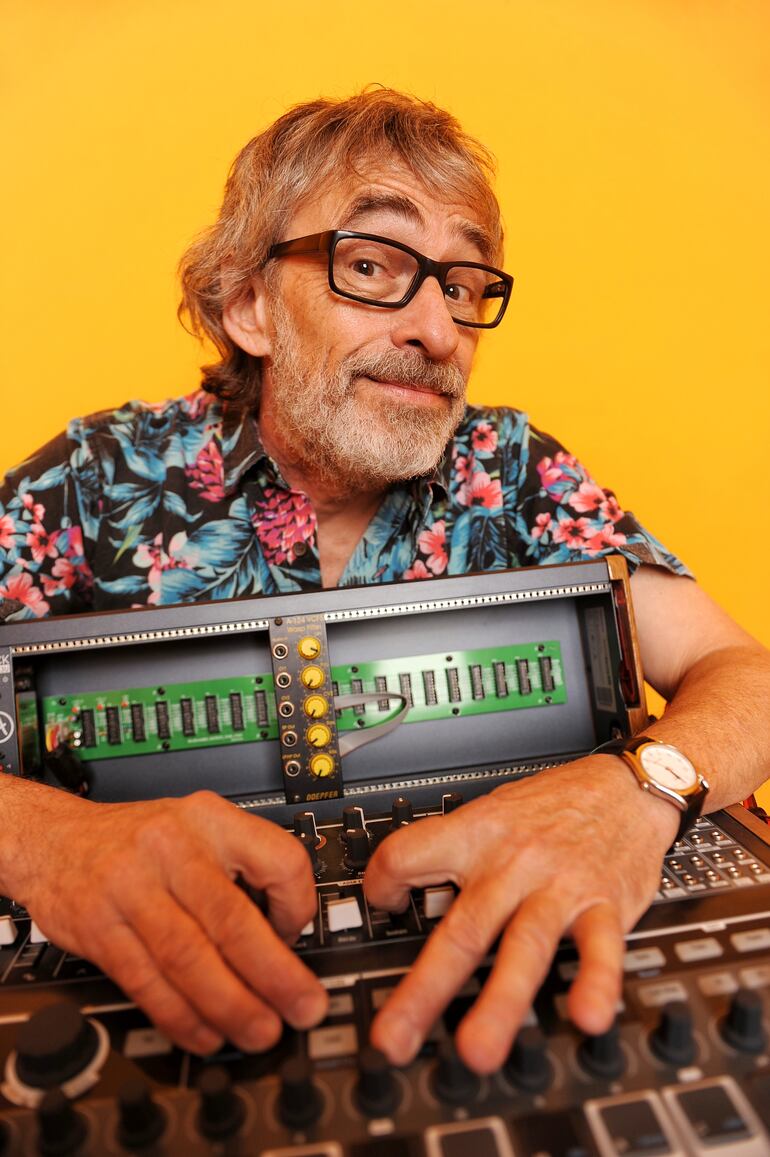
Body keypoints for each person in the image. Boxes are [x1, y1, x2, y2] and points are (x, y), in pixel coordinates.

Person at [1, 90, 768, 1075]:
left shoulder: (513, 468)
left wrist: (635, 791)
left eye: (463, 284)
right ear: (248, 306)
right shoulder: (96, 478)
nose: (438, 329)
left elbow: (742, 674)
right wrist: (40, 838)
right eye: (371, 266)